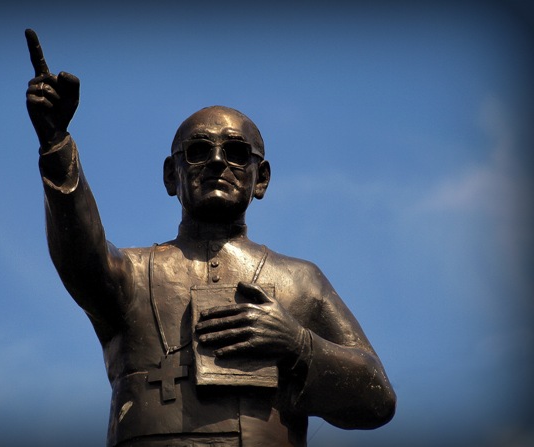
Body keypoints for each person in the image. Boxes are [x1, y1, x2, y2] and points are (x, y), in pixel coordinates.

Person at [25, 29, 396, 447]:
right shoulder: (130, 274)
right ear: (171, 175)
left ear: (262, 179)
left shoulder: (301, 281)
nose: (218, 162)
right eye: (198, 151)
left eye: (237, 153)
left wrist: (299, 344)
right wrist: (55, 144)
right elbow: (79, 255)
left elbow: (378, 398)